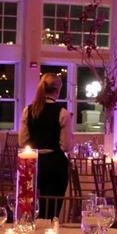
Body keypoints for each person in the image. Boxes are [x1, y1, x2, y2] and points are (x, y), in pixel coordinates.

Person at [19, 73, 73, 217]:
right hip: (55, 165)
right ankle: (49, 226)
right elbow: (66, 146)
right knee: (51, 208)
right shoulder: (62, 113)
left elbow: (22, 141)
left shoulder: (28, 110)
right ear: (58, 90)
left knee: (29, 207)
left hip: (32, 163)